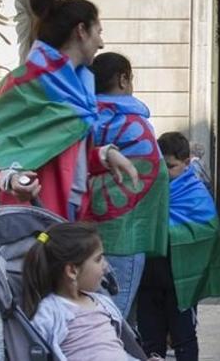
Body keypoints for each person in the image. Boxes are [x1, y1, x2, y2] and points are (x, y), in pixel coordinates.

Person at [0, 0, 138, 217]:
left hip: (64, 214)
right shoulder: (27, 81)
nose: (102, 43)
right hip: (30, 217)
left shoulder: (78, 91)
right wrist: (12, 178)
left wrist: (105, 154)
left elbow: (60, 153)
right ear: (81, 30)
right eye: (99, 31)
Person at [89, 51, 170, 321]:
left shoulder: (80, 119)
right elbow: (154, 175)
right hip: (125, 233)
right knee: (113, 318)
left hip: (79, 230)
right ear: (123, 80)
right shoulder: (134, 123)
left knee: (86, 313)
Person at [137, 131, 220, 361]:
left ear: (187, 163)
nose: (163, 173)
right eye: (159, 166)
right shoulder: (146, 190)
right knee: (149, 340)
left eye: (171, 166)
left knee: (184, 338)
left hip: (181, 283)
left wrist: (164, 231)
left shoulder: (196, 193)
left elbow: (209, 232)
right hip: (149, 278)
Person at [22, 221, 140, 361]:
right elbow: (33, 351)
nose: (105, 265)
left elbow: (114, 351)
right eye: (98, 259)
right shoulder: (51, 311)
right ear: (72, 271)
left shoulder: (103, 303)